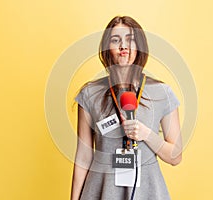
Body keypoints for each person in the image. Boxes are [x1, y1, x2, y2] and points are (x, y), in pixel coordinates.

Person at [71, 16, 182, 200]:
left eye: (130, 39)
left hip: (148, 192)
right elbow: (83, 157)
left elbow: (175, 157)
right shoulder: (90, 94)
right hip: (101, 191)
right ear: (107, 48)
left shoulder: (162, 93)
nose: (123, 46)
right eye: (116, 40)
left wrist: (146, 135)